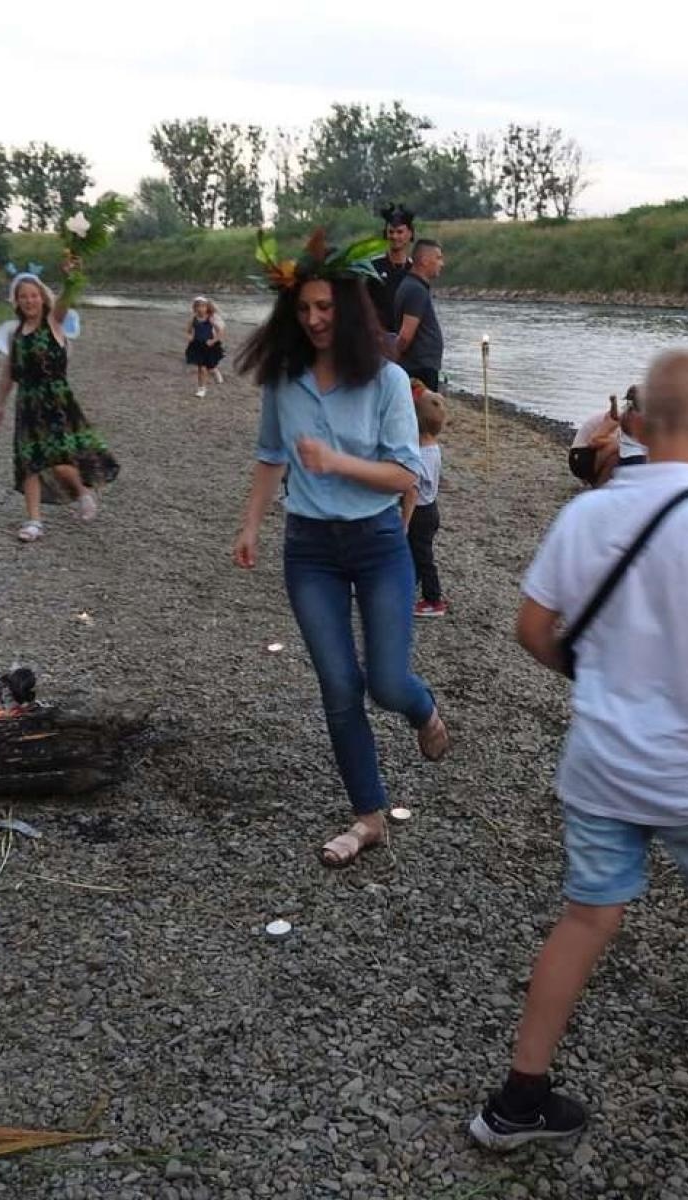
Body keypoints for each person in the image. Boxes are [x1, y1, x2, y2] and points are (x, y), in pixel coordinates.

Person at [469, 349, 688, 1152]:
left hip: (600, 765)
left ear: (633, 423)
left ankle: (518, 1098)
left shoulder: (585, 514)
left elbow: (532, 630)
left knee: (587, 918)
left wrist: (602, 681)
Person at [233, 228, 450, 868]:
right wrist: (251, 524)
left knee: (386, 682)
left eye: (326, 307)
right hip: (309, 550)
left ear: (348, 310)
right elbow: (271, 456)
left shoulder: (385, 381)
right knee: (337, 685)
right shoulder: (285, 380)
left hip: (380, 542)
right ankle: (368, 816)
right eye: (303, 309)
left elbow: (405, 475)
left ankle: (424, 709)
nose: (315, 319)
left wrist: (334, 461)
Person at [0, 271, 119, 541]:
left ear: (42, 298)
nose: (29, 301)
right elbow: (7, 374)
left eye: (33, 295)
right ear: (16, 301)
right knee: (29, 462)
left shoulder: (53, 322)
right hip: (27, 403)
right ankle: (34, 522)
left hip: (57, 401)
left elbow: (65, 301)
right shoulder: (16, 335)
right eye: (23, 297)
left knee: (58, 459)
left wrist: (71, 278)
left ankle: (83, 493)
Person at [402, 383, 448, 617]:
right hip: (431, 508)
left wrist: (405, 522)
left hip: (420, 512)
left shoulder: (418, 456)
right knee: (416, 553)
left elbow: (412, 492)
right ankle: (411, 586)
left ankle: (433, 599)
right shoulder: (434, 449)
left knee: (422, 556)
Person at [568, 385, 647, 487]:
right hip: (579, 457)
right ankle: (599, 484)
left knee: (625, 448)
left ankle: (600, 481)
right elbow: (594, 441)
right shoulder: (617, 418)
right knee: (620, 448)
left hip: (584, 458)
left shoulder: (628, 417)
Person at [393, 239, 445, 390]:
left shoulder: (414, 286)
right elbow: (405, 335)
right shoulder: (415, 290)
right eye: (438, 258)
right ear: (424, 260)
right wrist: (394, 360)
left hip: (421, 366)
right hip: (419, 369)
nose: (442, 263)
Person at [369, 203, 415, 339]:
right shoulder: (373, 267)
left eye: (400, 232)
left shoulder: (414, 270)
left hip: (406, 341)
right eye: (391, 232)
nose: (395, 236)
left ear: (409, 234)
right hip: (379, 339)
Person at [184, 296, 226, 396]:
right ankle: (201, 389)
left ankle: (215, 371)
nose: (200, 308)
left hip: (210, 346)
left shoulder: (210, 319)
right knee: (202, 368)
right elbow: (188, 331)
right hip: (197, 346)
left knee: (210, 366)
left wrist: (213, 341)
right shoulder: (193, 319)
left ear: (207, 307)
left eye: (203, 306)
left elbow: (220, 332)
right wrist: (189, 337)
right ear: (194, 308)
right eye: (198, 306)